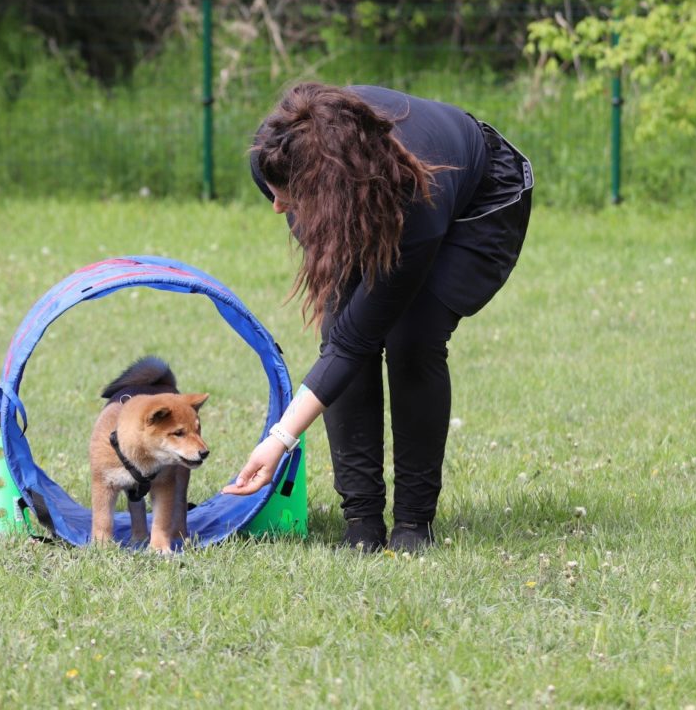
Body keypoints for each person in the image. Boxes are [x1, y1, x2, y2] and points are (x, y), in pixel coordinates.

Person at [222, 82, 534, 553]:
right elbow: (344, 339)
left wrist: (278, 440)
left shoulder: (415, 204)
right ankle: (361, 521)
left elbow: (356, 343)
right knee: (342, 323)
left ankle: (414, 523)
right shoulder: (278, 151)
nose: (278, 208)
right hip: (354, 197)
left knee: (413, 335)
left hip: (477, 200)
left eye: (289, 197)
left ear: (327, 187)